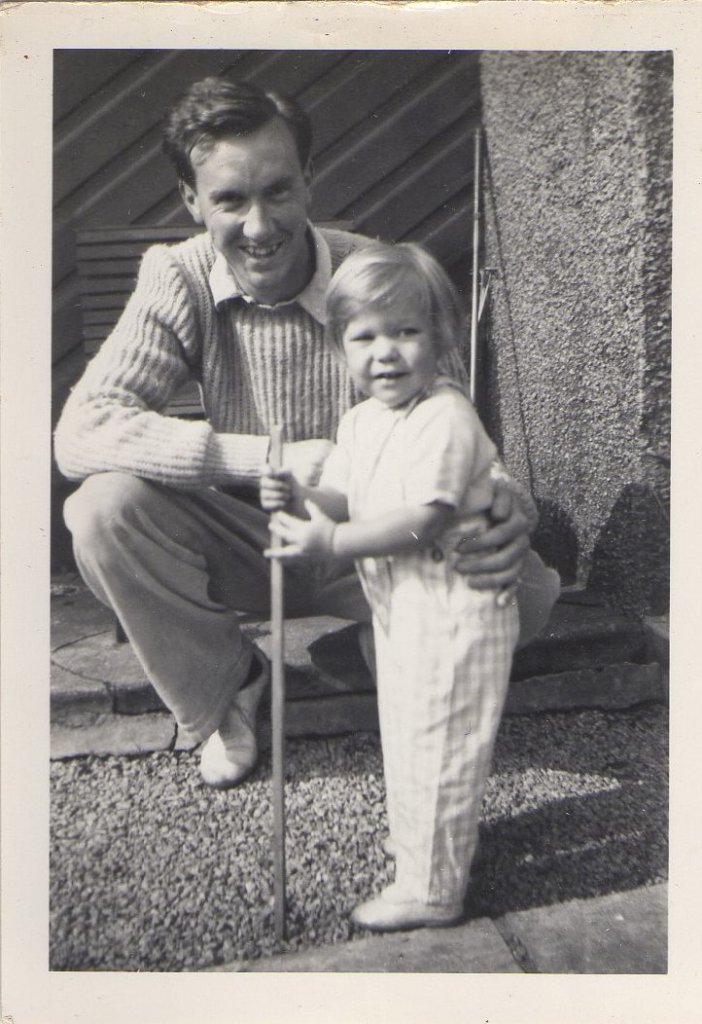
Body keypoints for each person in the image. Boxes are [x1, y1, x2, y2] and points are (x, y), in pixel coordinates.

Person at [54, 76, 557, 793]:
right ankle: (230, 686)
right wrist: (264, 455)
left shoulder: (378, 273)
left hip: (373, 544)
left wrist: (508, 507)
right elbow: (81, 431)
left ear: (310, 181)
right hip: (253, 545)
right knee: (101, 511)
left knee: (526, 591)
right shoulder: (178, 276)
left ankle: (366, 647)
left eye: (278, 191)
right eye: (230, 200)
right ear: (192, 202)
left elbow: (466, 439)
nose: (259, 227)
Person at [261, 241, 522, 930]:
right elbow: (345, 495)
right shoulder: (360, 420)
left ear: (438, 337)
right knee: (407, 732)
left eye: (406, 332)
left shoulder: (444, 416)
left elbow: (426, 516)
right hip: (406, 611)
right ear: (340, 345)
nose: (386, 353)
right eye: (365, 336)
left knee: (439, 739)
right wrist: (299, 492)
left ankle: (433, 888)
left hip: (455, 611)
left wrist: (332, 543)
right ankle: (424, 846)